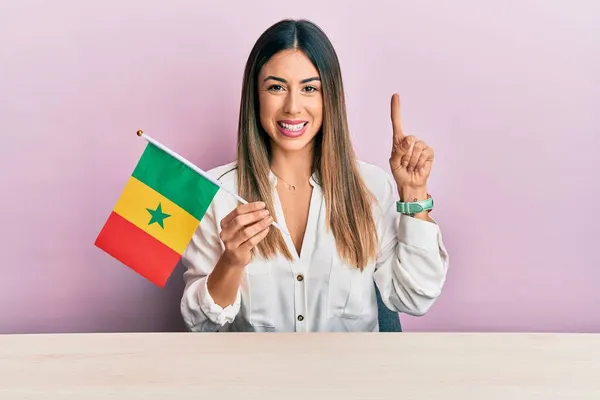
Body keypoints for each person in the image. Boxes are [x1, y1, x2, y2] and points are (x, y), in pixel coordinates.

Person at [180, 18, 450, 332]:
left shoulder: (372, 187)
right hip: (257, 379)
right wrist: (232, 261)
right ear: (255, 96)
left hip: (352, 379)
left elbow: (415, 297)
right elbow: (200, 326)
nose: (293, 107)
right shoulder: (216, 194)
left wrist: (414, 192)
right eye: (276, 87)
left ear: (329, 98)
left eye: (309, 88)